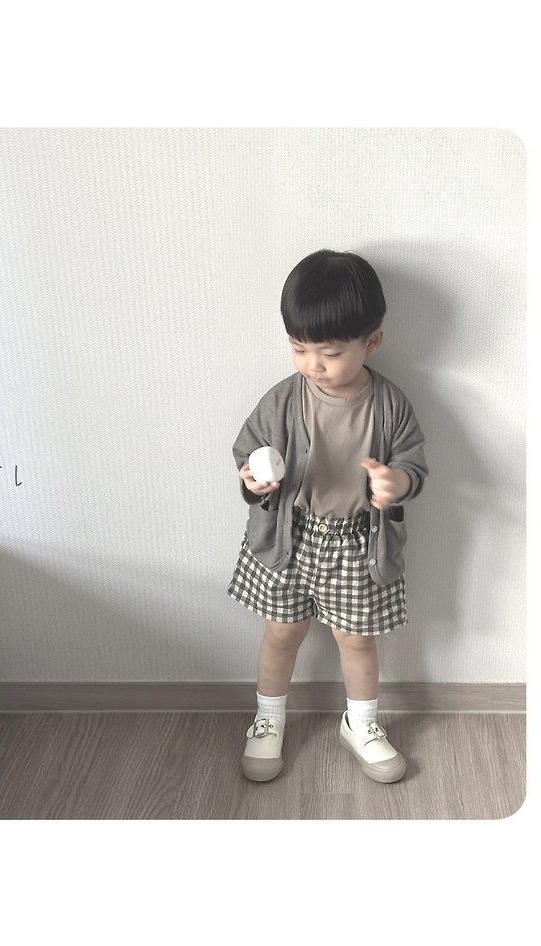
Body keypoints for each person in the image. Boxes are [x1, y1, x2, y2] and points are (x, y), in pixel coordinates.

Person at [227, 249, 428, 784]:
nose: (313, 364)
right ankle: (269, 718)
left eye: (331, 353)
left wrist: (396, 483)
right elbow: (248, 453)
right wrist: (253, 479)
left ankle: (360, 723)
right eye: (300, 349)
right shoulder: (282, 400)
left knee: (356, 639)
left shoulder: (390, 404)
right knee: (282, 632)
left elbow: (413, 465)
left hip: (358, 543)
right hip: (290, 535)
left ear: (372, 341)